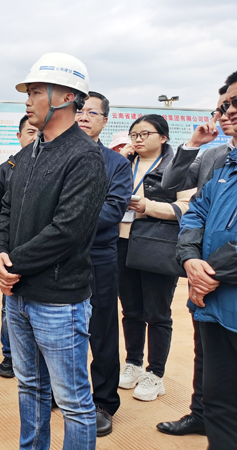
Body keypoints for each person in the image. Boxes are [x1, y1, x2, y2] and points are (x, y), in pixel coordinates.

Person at [0, 52, 107, 450]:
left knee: (73, 402)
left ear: (67, 96)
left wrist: (13, 265)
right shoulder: (27, 154)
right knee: (30, 388)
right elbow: (5, 211)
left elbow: (68, 230)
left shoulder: (84, 156)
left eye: (36, 92)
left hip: (59, 301)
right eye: (29, 92)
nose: (28, 101)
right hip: (18, 295)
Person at [157, 82, 236, 437]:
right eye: (221, 108)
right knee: (207, 357)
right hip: (203, 282)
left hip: (216, 279)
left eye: (232, 104)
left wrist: (211, 272)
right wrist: (193, 144)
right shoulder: (216, 156)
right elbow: (173, 186)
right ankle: (201, 413)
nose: (226, 113)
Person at [117, 114, 195, 402]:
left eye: (145, 134)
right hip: (121, 243)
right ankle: (133, 363)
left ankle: (155, 374)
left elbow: (188, 206)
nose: (138, 139)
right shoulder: (124, 164)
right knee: (130, 310)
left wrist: (148, 206)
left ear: (163, 137)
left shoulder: (178, 167)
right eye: (134, 134)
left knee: (158, 313)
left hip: (157, 245)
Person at [76, 91, 132, 436]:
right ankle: (65, 392)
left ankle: (104, 402)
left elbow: (113, 210)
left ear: (104, 121)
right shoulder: (51, 154)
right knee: (58, 331)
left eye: (92, 112)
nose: (84, 116)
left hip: (97, 256)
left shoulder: (116, 164)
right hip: (56, 258)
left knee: (102, 331)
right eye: (79, 110)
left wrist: (65, 225)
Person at [0, 114, 37, 378]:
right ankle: (9, 355)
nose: (35, 137)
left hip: (44, 248)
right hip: (13, 247)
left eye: (39, 132)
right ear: (18, 136)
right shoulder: (6, 169)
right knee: (10, 302)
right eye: (30, 132)